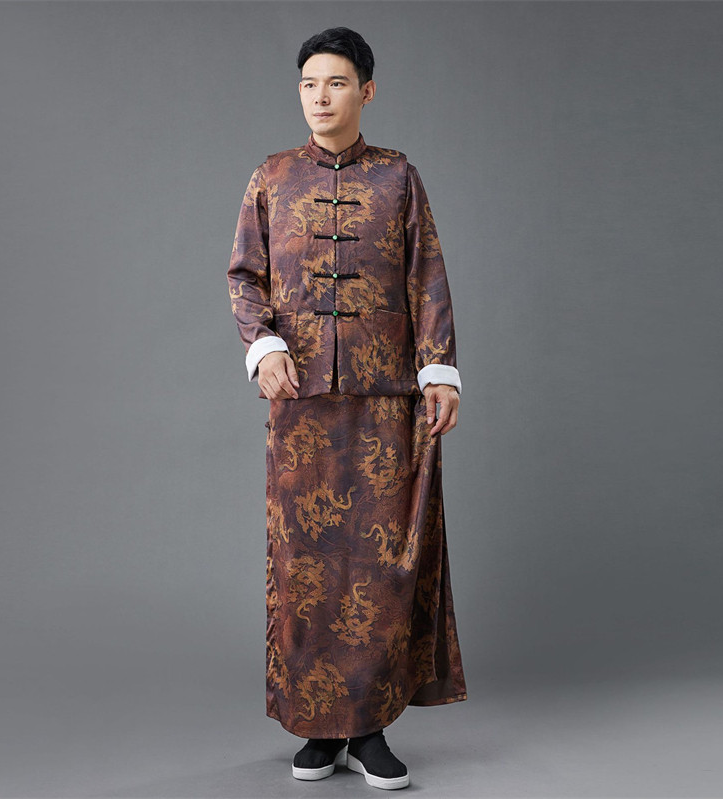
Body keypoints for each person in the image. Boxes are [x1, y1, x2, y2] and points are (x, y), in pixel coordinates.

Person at [227, 26, 467, 791]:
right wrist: (264, 346)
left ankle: (368, 726)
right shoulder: (271, 177)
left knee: (378, 563)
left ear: (367, 90)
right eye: (309, 84)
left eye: (335, 82)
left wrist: (438, 368)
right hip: (300, 406)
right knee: (304, 563)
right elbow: (244, 276)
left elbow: (427, 273)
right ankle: (317, 725)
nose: (320, 97)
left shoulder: (399, 177)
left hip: (386, 401)